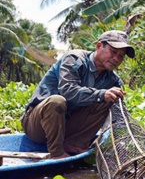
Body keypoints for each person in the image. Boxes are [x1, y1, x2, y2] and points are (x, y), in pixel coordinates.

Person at [21, 30, 135, 159]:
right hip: (38, 126)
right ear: (99, 46)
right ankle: (57, 153)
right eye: (113, 52)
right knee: (57, 101)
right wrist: (101, 94)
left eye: (121, 56)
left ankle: (74, 144)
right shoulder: (74, 59)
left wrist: (123, 145)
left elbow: (118, 116)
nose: (116, 59)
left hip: (67, 126)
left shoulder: (113, 80)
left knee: (111, 99)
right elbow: (68, 91)